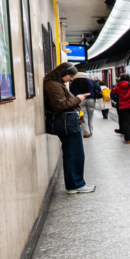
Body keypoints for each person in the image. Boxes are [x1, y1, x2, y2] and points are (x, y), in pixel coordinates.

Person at [43, 62, 95, 194]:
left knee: (74, 153)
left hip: (68, 122)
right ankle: (75, 185)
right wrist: (78, 98)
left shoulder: (55, 83)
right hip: (66, 124)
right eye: (70, 77)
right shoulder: (53, 85)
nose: (72, 79)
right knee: (74, 154)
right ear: (63, 73)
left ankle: (76, 183)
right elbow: (60, 105)